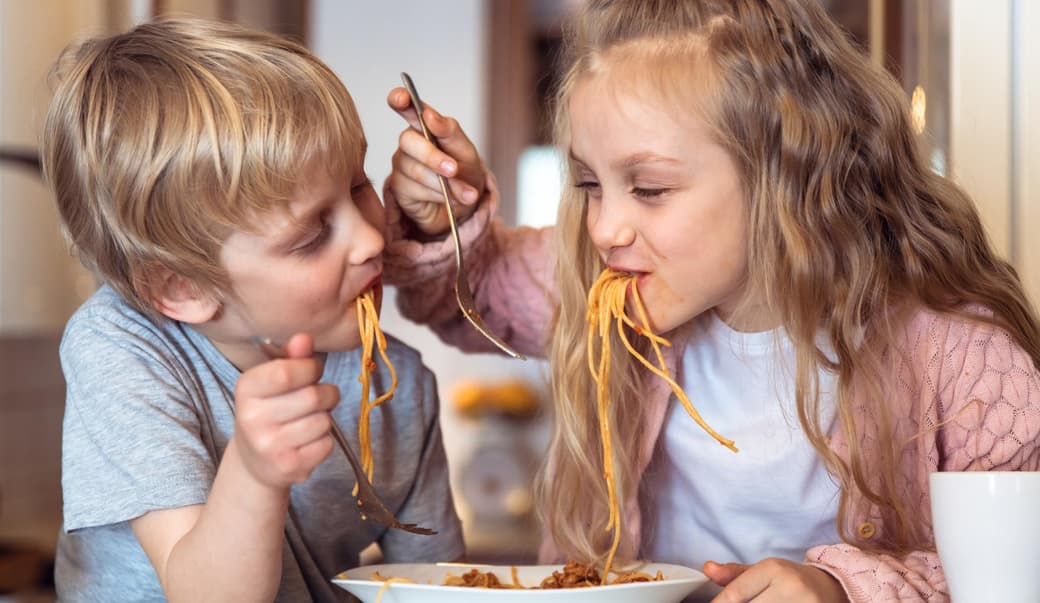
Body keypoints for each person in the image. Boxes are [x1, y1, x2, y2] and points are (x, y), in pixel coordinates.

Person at [382, 0, 1040, 601]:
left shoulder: (959, 353)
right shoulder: (594, 281)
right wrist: (443, 216)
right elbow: (457, 296)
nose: (606, 227)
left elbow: (1019, 569)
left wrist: (845, 588)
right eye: (589, 183)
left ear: (785, 177)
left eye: (649, 188)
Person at [42, 17, 463, 601]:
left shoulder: (400, 388)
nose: (371, 241)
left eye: (359, 187)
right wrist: (257, 474)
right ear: (184, 287)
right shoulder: (121, 349)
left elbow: (438, 589)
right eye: (313, 234)